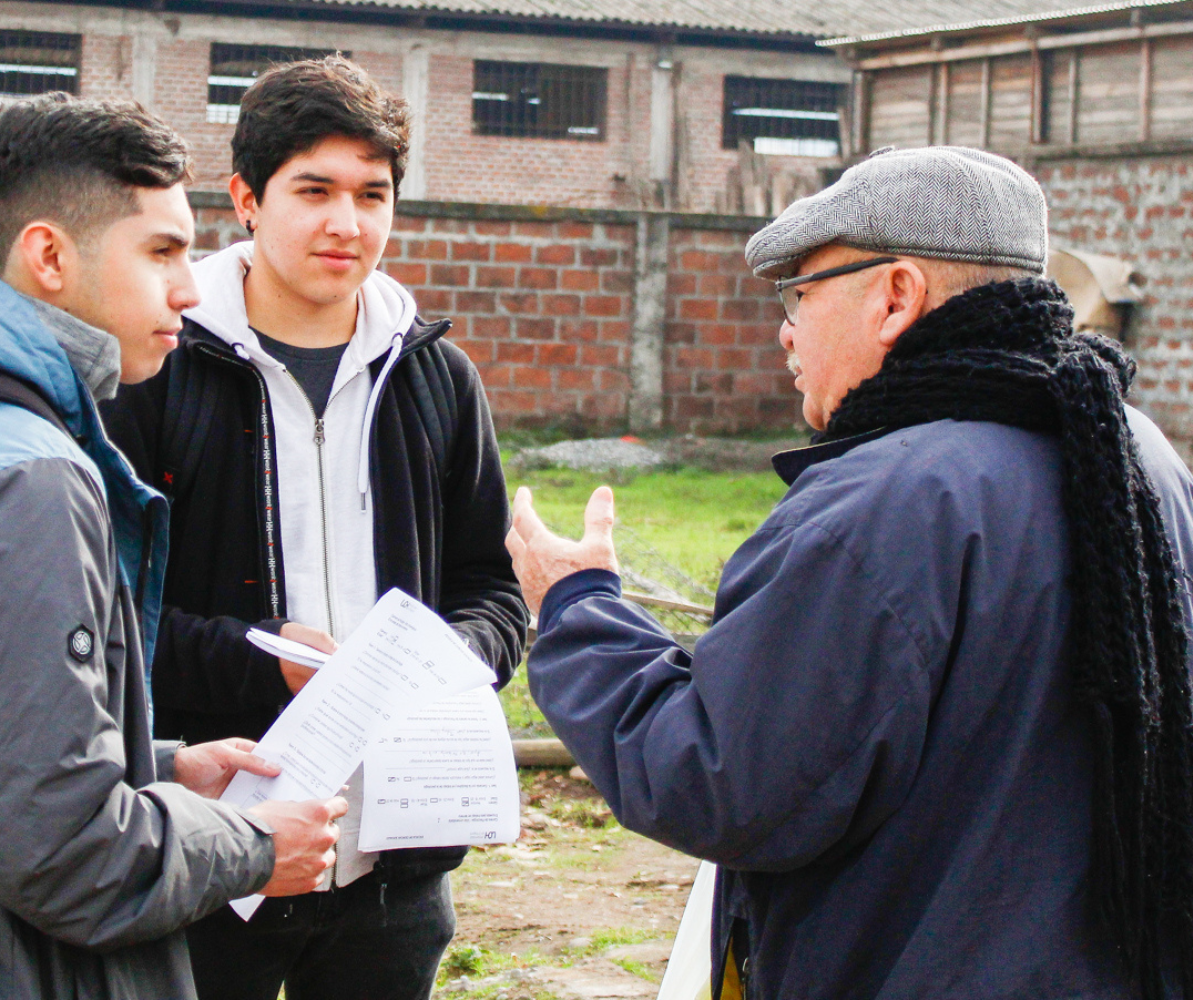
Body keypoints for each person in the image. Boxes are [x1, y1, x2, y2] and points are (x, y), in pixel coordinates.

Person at [507, 146, 1193, 1000]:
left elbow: (724, 781)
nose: (785, 329)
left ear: (895, 296)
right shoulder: (1138, 457)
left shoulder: (878, 508)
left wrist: (577, 610)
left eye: (801, 293)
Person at [0, 94, 346, 1000]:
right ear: (49, 255)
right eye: (161, 251)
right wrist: (252, 845)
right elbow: (57, 851)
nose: (190, 287)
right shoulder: (24, 479)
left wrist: (159, 768)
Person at [101, 56, 528, 1000]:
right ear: (246, 200)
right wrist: (264, 661)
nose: (348, 223)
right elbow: (101, 618)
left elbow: (492, 589)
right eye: (315, 190)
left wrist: (446, 662)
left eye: (373, 194)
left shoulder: (433, 375)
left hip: (395, 865)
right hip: (210, 850)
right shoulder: (157, 370)